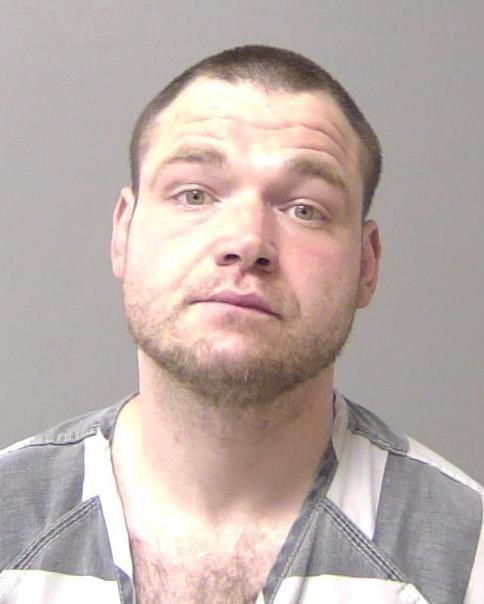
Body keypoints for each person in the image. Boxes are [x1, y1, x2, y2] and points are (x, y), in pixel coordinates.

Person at [0, 45, 482, 604]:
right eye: (194, 194)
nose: (247, 241)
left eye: (305, 209)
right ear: (124, 233)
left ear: (367, 264)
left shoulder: (468, 559)